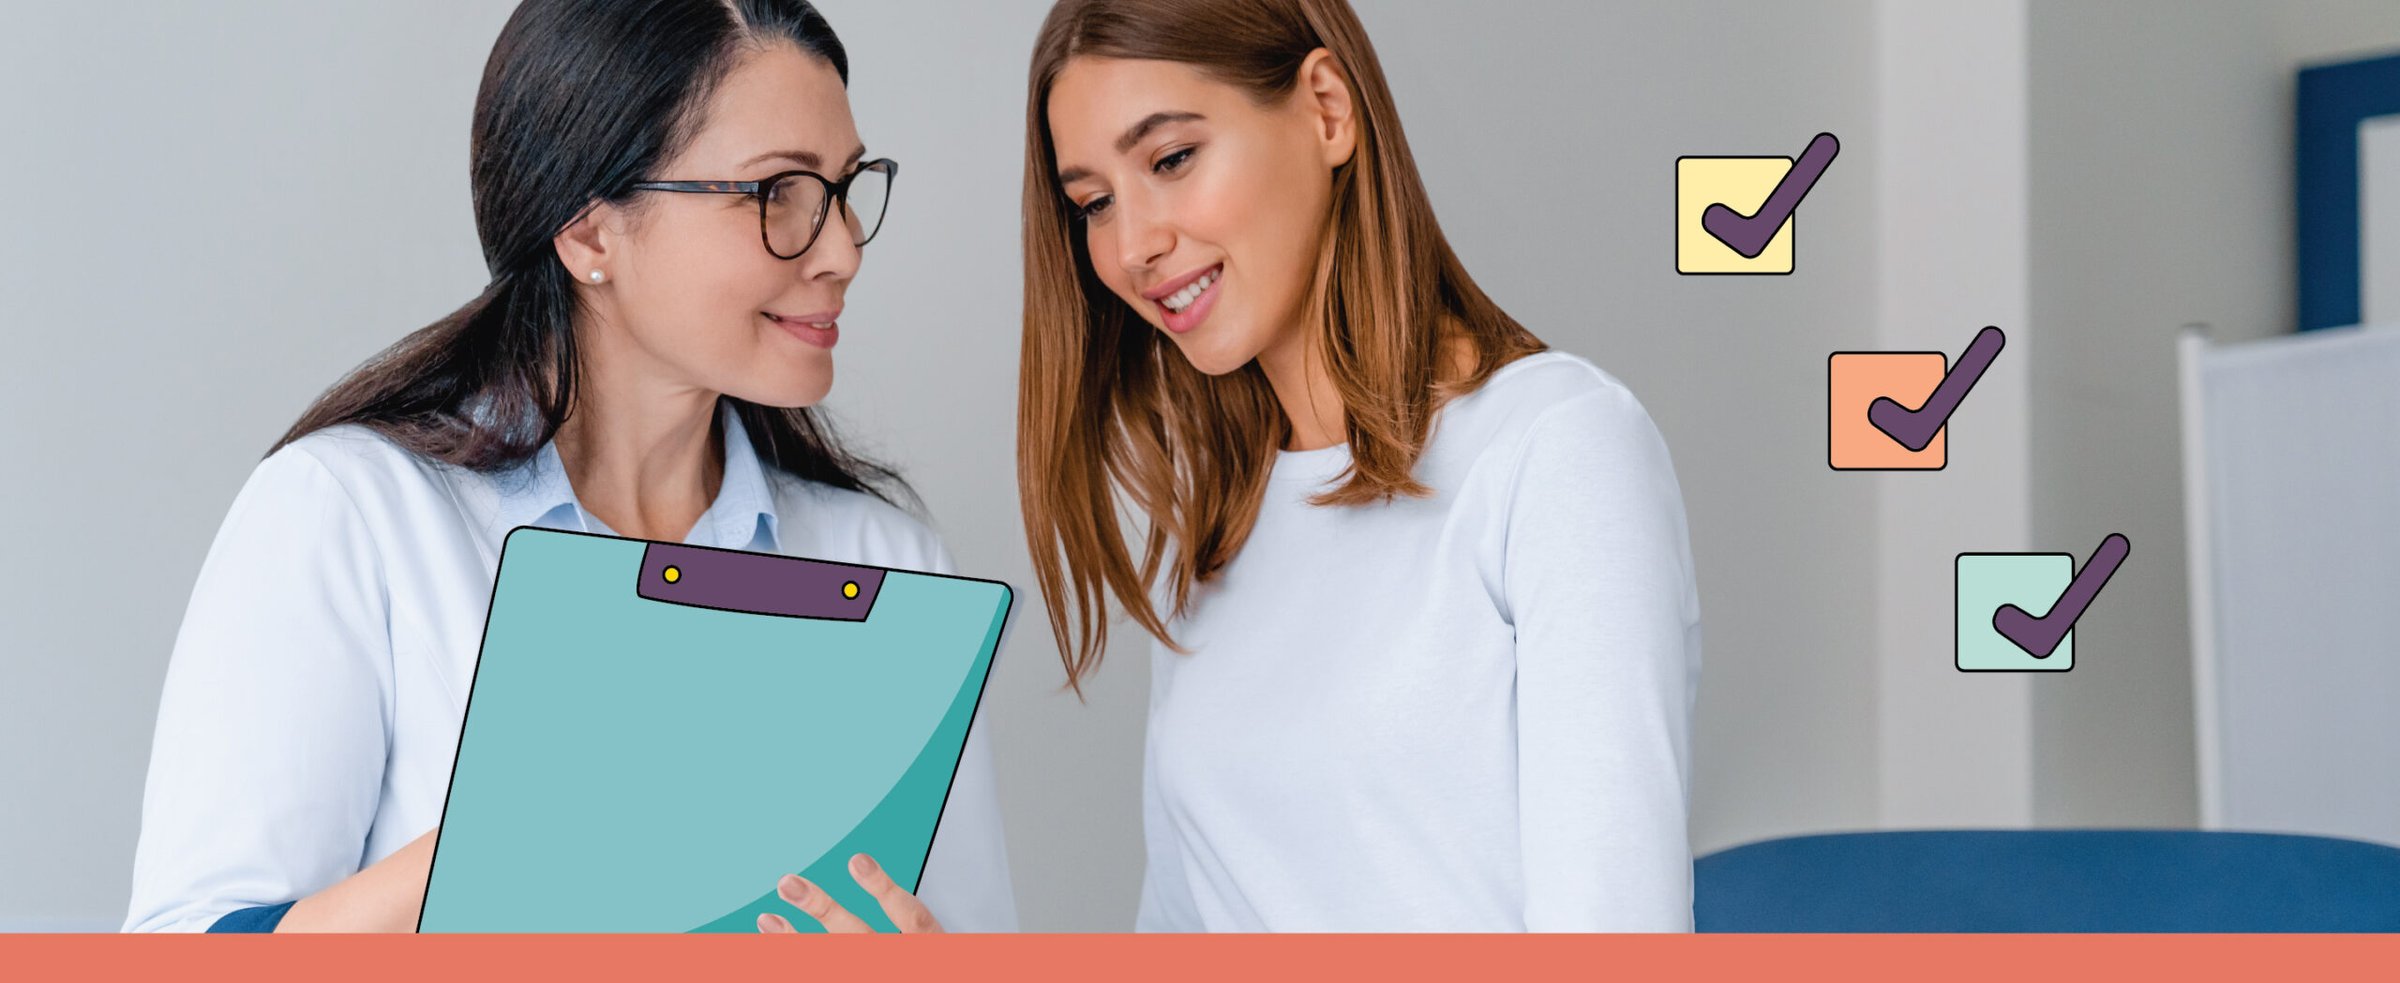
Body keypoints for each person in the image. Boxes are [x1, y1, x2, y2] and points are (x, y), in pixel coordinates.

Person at [122, 0, 1012, 934]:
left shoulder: (888, 563)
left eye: (841, 186)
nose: (842, 250)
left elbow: (979, 935)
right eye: (776, 193)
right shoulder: (350, 515)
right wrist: (479, 854)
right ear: (590, 234)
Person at [1014, 0, 1701, 932]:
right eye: (1093, 202)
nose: (1132, 246)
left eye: (1171, 159)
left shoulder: (1557, 450)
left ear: (1328, 109)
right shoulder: (1217, 526)